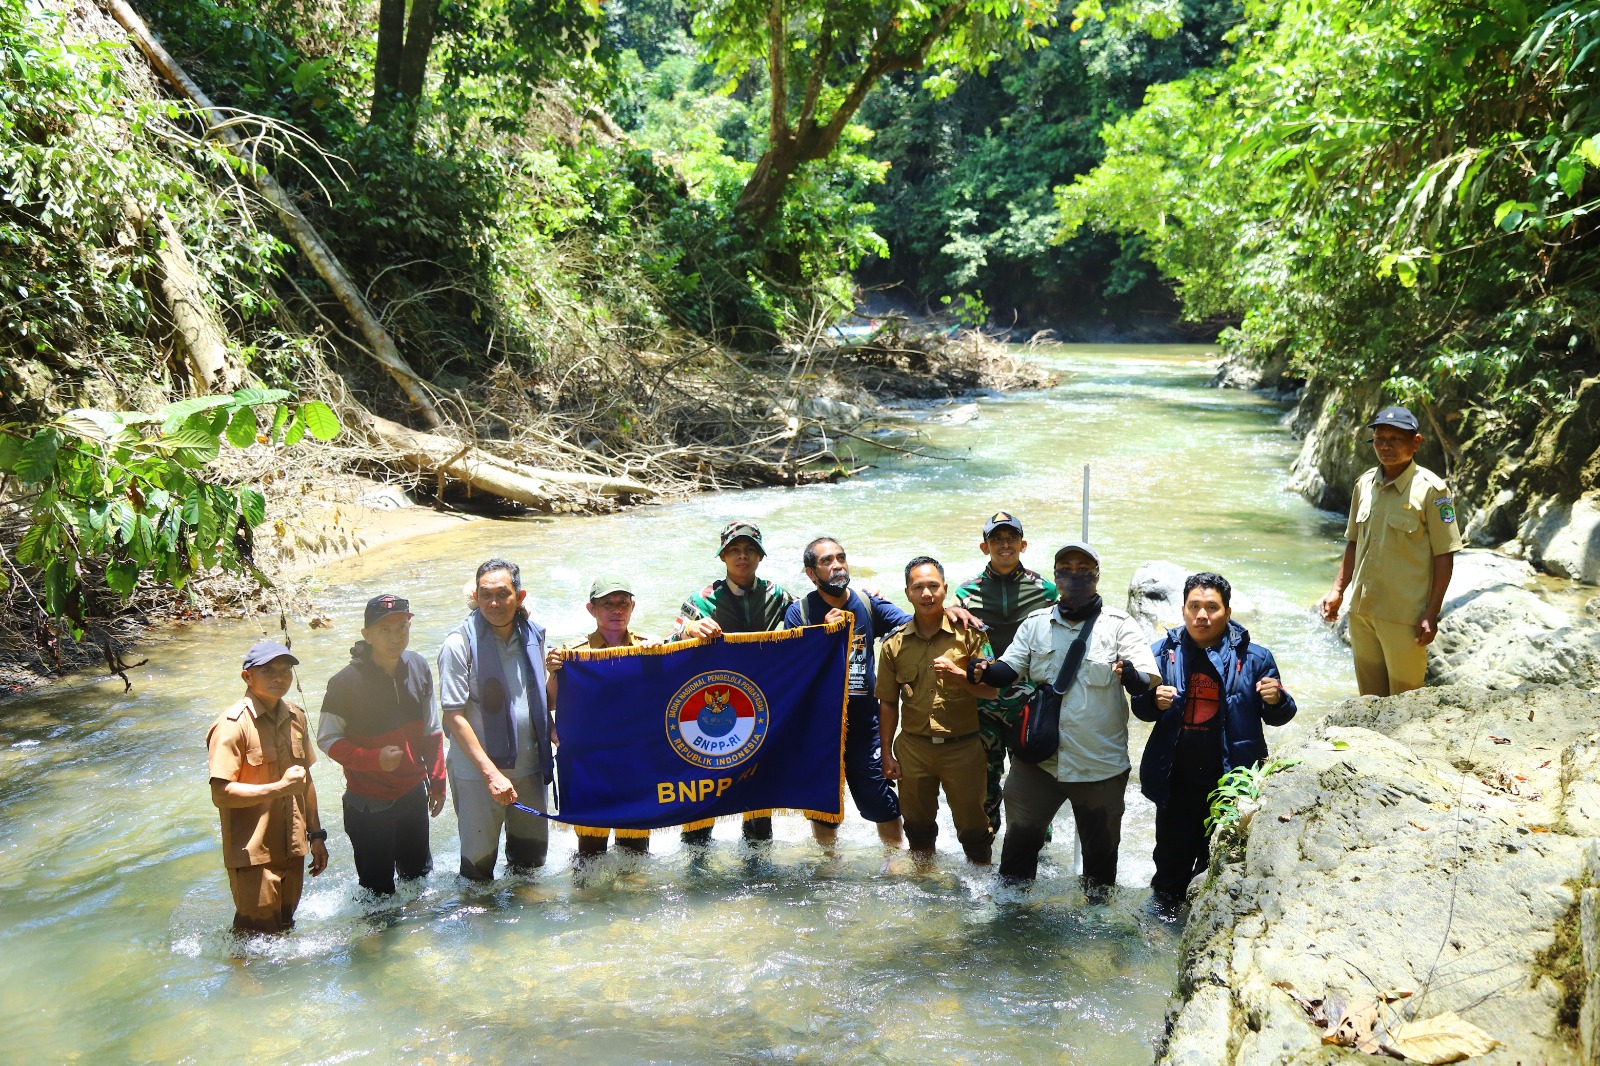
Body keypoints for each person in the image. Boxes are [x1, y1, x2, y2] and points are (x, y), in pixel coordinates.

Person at [976, 542, 1159, 898]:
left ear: (1097, 575)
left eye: (1083, 567)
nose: (1074, 574)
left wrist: (1131, 675)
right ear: (1056, 575)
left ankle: (1097, 930)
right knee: (1017, 853)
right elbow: (1008, 669)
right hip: (1039, 764)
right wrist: (982, 669)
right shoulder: (1035, 625)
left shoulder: (1120, 626)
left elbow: (1148, 679)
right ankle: (1010, 922)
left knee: (1100, 863)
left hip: (1098, 766)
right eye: (1066, 567)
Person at [1131, 573, 1296, 912]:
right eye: (1194, 607)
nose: (1201, 615)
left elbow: (1279, 717)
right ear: (1183, 609)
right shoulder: (1162, 653)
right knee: (1168, 872)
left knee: (1219, 870)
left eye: (1211, 607)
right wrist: (1152, 701)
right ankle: (1161, 938)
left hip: (1230, 785)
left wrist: (1277, 700)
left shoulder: (1255, 657)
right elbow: (1141, 710)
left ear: (1228, 612)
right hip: (1176, 783)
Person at [1318, 405, 1462, 696]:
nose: (1385, 446)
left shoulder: (1433, 491)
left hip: (1404, 617)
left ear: (1416, 442)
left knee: (1405, 701)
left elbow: (1444, 555)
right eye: (1380, 439)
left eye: (1395, 439)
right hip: (1363, 612)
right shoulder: (1364, 484)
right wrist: (1337, 591)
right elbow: (1354, 541)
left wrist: (1431, 614)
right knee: (1369, 700)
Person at [671, 520, 798, 844]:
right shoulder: (701, 601)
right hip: (710, 708)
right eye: (735, 550)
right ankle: (696, 861)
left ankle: (757, 864)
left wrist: (855, 599)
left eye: (750, 550)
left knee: (758, 783)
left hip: (760, 706)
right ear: (723, 557)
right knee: (703, 783)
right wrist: (687, 632)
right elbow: (669, 643)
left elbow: (811, 620)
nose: (743, 556)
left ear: (760, 557)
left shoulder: (778, 596)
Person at [317, 594, 447, 896]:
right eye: (384, 630)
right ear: (367, 635)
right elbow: (327, 739)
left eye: (402, 627)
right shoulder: (344, 683)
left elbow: (432, 730)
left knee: (418, 883)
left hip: (414, 794)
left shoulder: (418, 666)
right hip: (369, 804)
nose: (395, 637)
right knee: (378, 895)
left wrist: (438, 782)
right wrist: (372, 758)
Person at [875, 556, 997, 864]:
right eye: (918, 587)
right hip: (914, 748)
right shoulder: (894, 644)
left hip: (963, 748)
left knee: (974, 830)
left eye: (933, 586)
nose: (926, 594)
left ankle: (981, 892)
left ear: (945, 589)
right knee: (917, 829)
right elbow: (888, 702)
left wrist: (960, 677)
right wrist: (887, 753)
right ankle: (924, 887)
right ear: (908, 593)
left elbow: (992, 690)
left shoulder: (971, 635)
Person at [438, 559, 555, 880]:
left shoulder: (534, 635)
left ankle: (526, 930)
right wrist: (491, 776)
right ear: (475, 597)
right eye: (485, 595)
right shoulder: (458, 644)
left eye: (502, 594)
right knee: (478, 872)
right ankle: (481, 927)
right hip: (478, 777)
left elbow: (535, 699)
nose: (493, 603)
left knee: (530, 868)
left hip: (529, 770)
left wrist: (555, 727)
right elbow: (453, 717)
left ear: (519, 596)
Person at [206, 640, 328, 933]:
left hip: (293, 846)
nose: (280, 677)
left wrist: (316, 835)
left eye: (286, 670)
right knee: (252, 937)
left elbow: (305, 781)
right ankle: (242, 979)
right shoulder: (232, 725)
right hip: (253, 855)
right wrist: (279, 788)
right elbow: (221, 794)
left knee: (285, 930)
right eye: (269, 670)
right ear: (247, 677)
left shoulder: (295, 716)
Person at [955, 511, 1058, 833]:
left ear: (1023, 544)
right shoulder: (965, 594)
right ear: (984, 546)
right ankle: (985, 849)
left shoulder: (1046, 591)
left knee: (1035, 779)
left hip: (1028, 701)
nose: (1004, 544)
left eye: (1011, 538)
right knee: (983, 781)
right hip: (982, 702)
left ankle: (1038, 850)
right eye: (996, 539)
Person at [546, 576, 656, 859]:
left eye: (622, 603)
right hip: (588, 764)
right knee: (590, 853)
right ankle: (589, 903)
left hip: (636, 762)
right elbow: (549, 703)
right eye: (607, 604)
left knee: (635, 851)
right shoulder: (572, 654)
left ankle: (634, 900)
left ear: (632, 607)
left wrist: (662, 657)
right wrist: (554, 673)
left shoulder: (650, 648)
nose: (616, 610)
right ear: (591, 609)